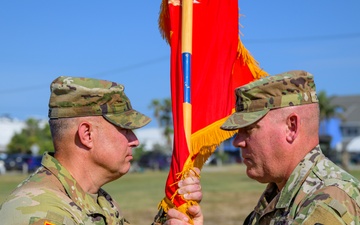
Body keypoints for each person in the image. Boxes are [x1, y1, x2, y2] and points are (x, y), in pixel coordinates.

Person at [0, 76, 203, 225]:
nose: (135, 141)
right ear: (87, 134)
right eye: (125, 129)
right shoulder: (40, 210)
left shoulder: (98, 200)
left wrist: (171, 215)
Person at [221, 70, 360, 224]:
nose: (237, 142)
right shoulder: (280, 193)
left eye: (249, 129)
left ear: (291, 127)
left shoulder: (325, 204)